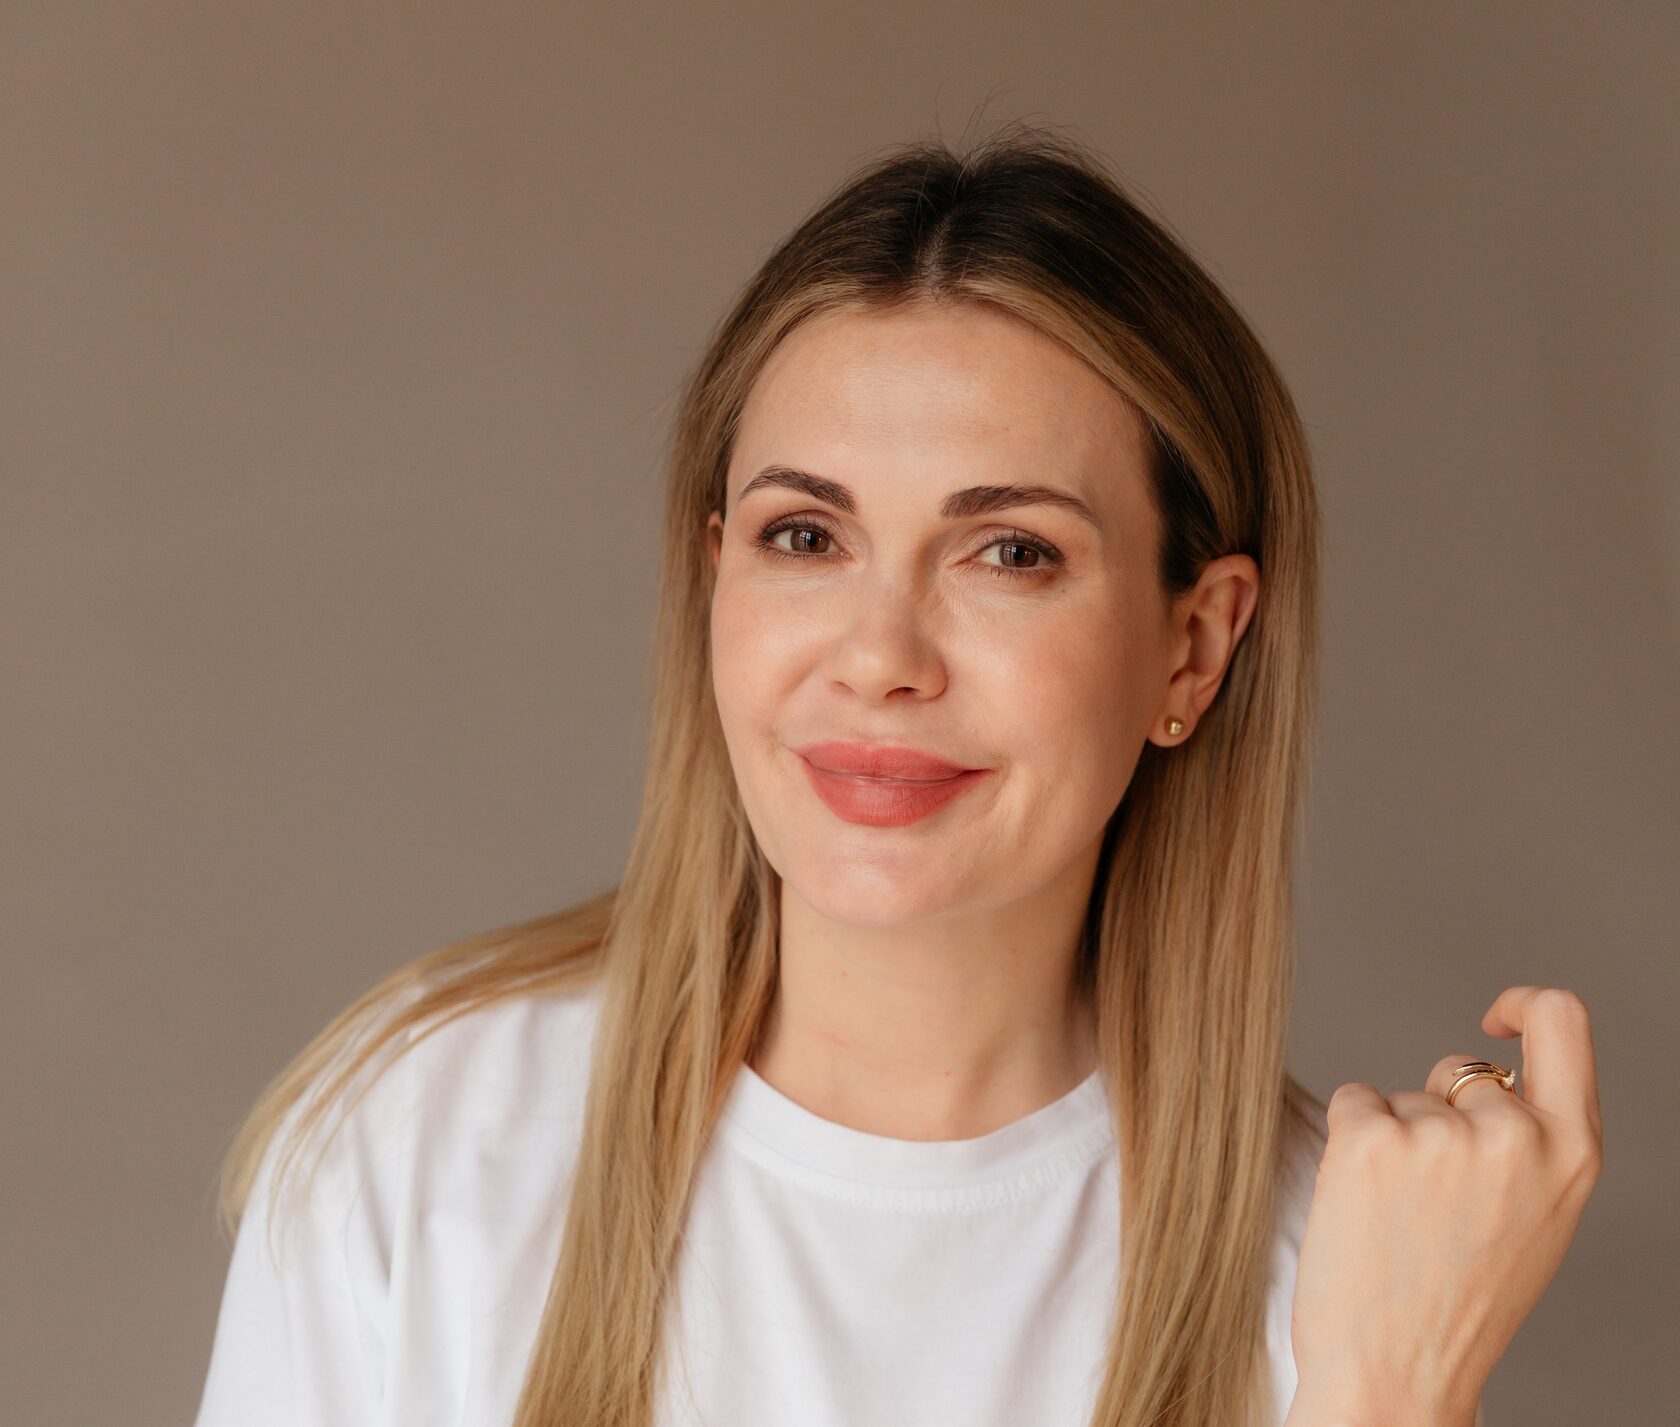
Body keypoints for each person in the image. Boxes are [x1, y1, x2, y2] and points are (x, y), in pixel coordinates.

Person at [192, 123, 1603, 1427]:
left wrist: (1384, 1395)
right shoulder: (424, 1140)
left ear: (1194, 646)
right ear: (714, 578)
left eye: (1011, 553)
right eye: (805, 537)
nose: (879, 658)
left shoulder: (1347, 1279)